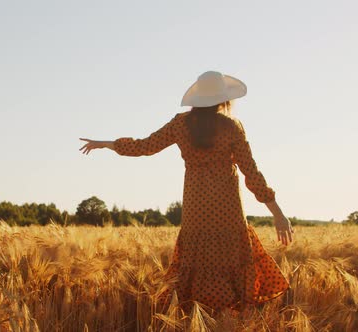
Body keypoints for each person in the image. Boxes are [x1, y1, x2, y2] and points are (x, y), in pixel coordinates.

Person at [80, 71, 294, 312]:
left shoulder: (181, 124)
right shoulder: (232, 127)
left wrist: (109, 144)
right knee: (231, 265)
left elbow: (145, 146)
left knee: (196, 265)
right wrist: (277, 213)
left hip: (196, 206)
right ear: (223, 98)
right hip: (228, 208)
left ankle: (199, 318)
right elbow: (251, 173)